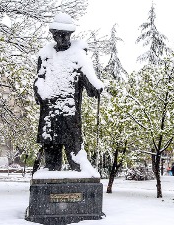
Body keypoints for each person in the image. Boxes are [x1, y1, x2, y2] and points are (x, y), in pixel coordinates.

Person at [33, 13, 104, 171]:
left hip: (69, 113)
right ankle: (50, 178)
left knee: (75, 155)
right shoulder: (45, 56)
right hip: (49, 112)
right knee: (51, 156)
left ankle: (81, 178)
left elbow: (88, 78)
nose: (63, 38)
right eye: (59, 35)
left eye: (66, 35)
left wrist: (95, 87)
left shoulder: (78, 55)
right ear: (54, 35)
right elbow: (40, 78)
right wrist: (39, 90)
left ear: (71, 35)